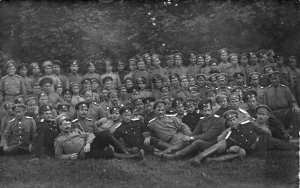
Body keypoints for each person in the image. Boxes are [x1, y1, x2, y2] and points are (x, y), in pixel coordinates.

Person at [190, 110, 298, 166]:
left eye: (234, 119)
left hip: (264, 141)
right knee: (278, 155)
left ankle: (296, 148)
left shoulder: (248, 124)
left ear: (237, 118)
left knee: (286, 146)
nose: (232, 121)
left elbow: (264, 132)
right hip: (255, 151)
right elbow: (226, 145)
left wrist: (266, 136)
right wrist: (229, 149)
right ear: (227, 123)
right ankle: (204, 158)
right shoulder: (229, 134)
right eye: (229, 120)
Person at [54, 114, 144, 160]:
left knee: (106, 133)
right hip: (85, 154)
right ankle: (135, 156)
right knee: (108, 153)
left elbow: (90, 134)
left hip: (90, 146)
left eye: (69, 123)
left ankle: (125, 152)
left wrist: (88, 144)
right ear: (60, 126)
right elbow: (58, 155)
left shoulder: (76, 131)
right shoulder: (59, 140)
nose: (68, 126)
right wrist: (69, 156)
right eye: (65, 124)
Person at [161, 100, 225, 159]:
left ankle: (176, 155)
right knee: (187, 140)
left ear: (212, 111)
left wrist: (191, 138)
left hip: (214, 144)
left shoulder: (218, 120)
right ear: (202, 111)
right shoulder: (202, 120)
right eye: (205, 111)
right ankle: (165, 152)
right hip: (205, 141)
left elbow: (208, 136)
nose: (207, 113)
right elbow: (195, 133)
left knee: (197, 142)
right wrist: (186, 137)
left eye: (209, 110)